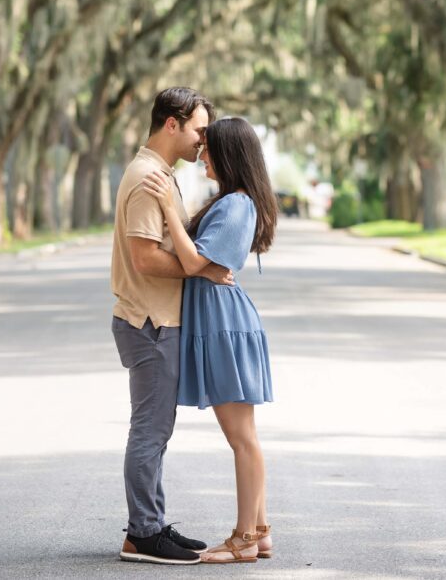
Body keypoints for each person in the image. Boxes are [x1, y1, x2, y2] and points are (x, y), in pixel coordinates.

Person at [141, 116, 277, 564]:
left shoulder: (238, 204)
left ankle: (243, 539)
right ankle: (259, 533)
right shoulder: (231, 201)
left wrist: (165, 205)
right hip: (217, 319)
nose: (202, 155)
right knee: (243, 435)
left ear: (229, 154)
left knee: (241, 437)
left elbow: (195, 261)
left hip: (224, 324)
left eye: (208, 148)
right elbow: (201, 263)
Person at [110, 87, 235, 565]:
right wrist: (203, 268)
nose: (204, 141)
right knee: (150, 429)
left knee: (157, 428)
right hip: (149, 322)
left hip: (158, 321)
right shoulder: (147, 178)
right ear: (172, 123)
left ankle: (152, 524)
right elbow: (144, 258)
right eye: (199, 130)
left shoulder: (159, 175)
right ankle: (142, 534)